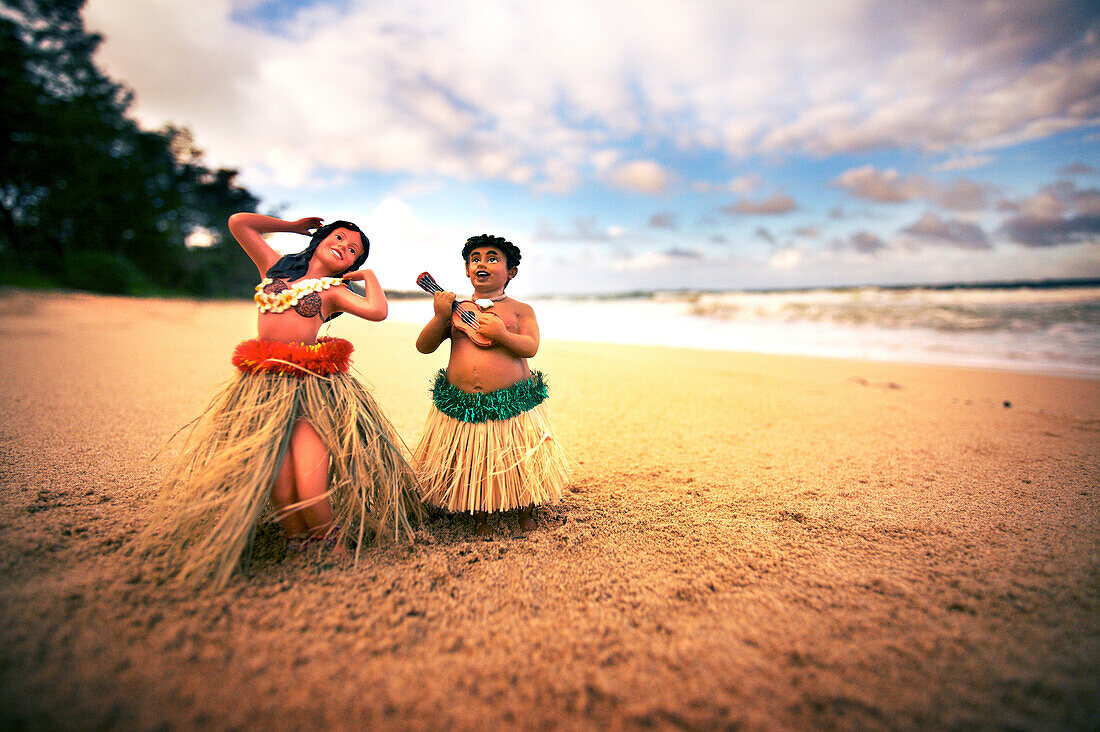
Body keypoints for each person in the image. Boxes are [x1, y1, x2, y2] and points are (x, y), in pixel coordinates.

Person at [142, 213, 421, 588]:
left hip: (310, 388)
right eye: (339, 238)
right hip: (263, 387)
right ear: (320, 239)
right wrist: (291, 227)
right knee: (280, 483)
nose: (344, 247)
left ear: (353, 263)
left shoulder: (334, 292)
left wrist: (367, 278)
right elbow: (239, 223)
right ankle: (296, 541)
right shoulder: (274, 268)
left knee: (309, 483)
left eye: (354, 250)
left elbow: (378, 311)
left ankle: (331, 541)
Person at [414, 234, 572, 534]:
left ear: (511, 272)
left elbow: (529, 346)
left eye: (492, 258)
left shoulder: (519, 310)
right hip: (465, 407)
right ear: (466, 269)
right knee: (475, 463)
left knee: (519, 460)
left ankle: (525, 509)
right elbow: (424, 346)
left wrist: (501, 334)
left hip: (513, 408)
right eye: (475, 259)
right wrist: (439, 316)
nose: (481, 263)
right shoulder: (455, 309)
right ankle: (479, 516)